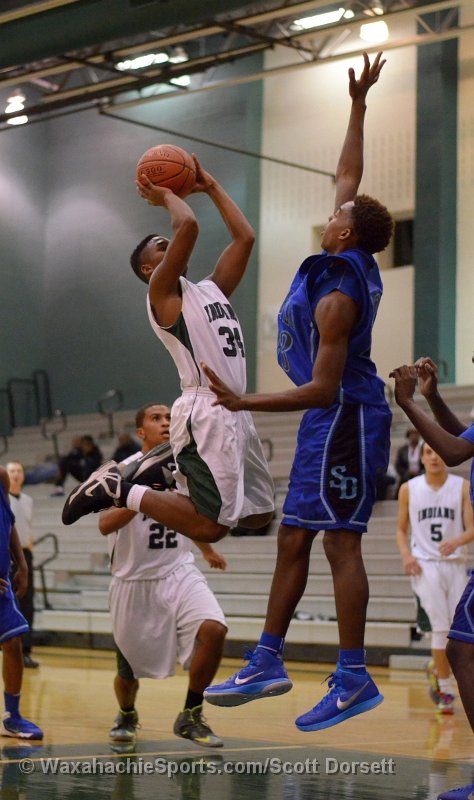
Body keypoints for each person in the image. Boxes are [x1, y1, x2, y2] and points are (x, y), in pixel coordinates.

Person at [200, 52, 394, 732]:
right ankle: (267, 659)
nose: (333, 206)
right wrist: (359, 105)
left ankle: (353, 675)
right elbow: (349, 175)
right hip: (330, 419)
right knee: (293, 539)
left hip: (345, 416)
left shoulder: (339, 293)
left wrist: (243, 402)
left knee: (340, 543)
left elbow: (321, 389)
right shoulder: (345, 255)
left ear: (345, 231)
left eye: (338, 211)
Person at [62, 154, 275, 543]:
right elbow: (188, 225)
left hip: (234, 408)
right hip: (205, 409)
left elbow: (245, 238)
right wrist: (165, 196)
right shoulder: (161, 294)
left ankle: (164, 463)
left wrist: (211, 187)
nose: (172, 246)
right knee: (211, 528)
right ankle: (118, 488)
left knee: (259, 514)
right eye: (162, 247)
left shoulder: (210, 290)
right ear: (150, 270)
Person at [100, 403, 228, 748]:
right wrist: (142, 493)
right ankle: (127, 713)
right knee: (127, 672)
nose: (166, 422)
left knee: (214, 629)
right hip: (133, 580)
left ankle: (191, 714)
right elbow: (104, 524)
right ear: (141, 432)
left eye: (170, 417)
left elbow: (190, 516)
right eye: (156, 418)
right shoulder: (121, 470)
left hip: (178, 570)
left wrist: (206, 550)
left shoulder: (186, 467)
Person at [390, 357, 474, 800]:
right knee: (459, 647)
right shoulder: (412, 489)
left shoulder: (455, 482)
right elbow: (463, 439)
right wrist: (433, 396)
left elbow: (456, 452)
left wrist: (407, 403)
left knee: (460, 648)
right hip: (433, 564)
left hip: (456, 561)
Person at [395, 442, 474, 714]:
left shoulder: (462, 486)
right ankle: (446, 690)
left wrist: (458, 540)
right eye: (428, 452)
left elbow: (472, 527)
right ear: (421, 458)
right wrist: (406, 556)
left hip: (456, 564)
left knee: (460, 631)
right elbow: (401, 530)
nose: (434, 457)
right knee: (440, 630)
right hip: (425, 565)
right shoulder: (409, 489)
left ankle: (437, 670)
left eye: (438, 451)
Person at [0, 466, 43, 739]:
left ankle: (12, 717)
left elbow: (9, 522)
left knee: (14, 642)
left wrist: (22, 564)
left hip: (2, 584)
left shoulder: (1, 476)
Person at [6, 462, 39, 669]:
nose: (16, 474)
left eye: (19, 471)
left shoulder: (28, 500)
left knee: (27, 602)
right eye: (12, 471)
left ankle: (25, 651)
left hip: (25, 554)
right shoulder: (3, 499)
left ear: (23, 476)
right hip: (6, 554)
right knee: (8, 601)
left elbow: (27, 526)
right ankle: (8, 646)